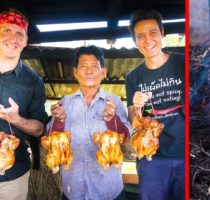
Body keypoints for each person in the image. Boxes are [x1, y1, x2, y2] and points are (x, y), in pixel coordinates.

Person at [50, 45, 132, 200]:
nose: (89, 71)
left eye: (94, 66)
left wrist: (111, 119)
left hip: (109, 190)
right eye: (83, 66)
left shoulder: (114, 101)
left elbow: (125, 137)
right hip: (73, 189)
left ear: (103, 72)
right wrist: (60, 121)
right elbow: (51, 140)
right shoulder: (64, 103)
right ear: (75, 72)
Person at [126, 8, 185, 200]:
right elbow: (133, 120)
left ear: (162, 33)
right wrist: (136, 107)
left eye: (153, 33)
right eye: (140, 36)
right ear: (135, 43)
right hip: (152, 159)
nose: (148, 40)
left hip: (186, 154)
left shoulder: (183, 64)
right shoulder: (133, 77)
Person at [0, 8, 48, 200]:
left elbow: (39, 129)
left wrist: (17, 119)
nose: (13, 37)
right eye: (6, 30)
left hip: (13, 177)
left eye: (19, 33)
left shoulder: (33, 81)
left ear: (25, 41)